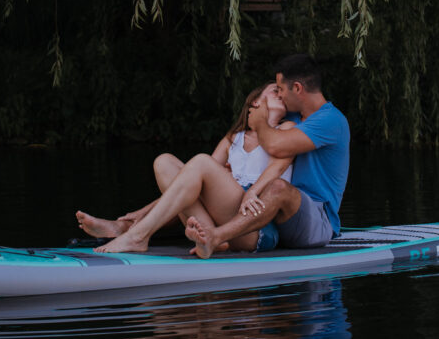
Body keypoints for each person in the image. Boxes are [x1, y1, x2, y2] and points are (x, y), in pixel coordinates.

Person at [75, 82, 296, 254]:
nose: (281, 94)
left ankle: (137, 235)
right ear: (254, 102)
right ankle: (134, 227)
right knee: (165, 162)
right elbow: (190, 182)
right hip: (222, 216)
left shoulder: (288, 129)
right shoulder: (233, 139)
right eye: (275, 90)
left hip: (254, 227)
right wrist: (140, 212)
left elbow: (203, 169)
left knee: (201, 162)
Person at [185, 53, 350, 259]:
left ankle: (216, 237)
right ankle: (144, 225)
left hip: (317, 221)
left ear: (297, 88)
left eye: (280, 89)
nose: (279, 95)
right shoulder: (291, 115)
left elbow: (275, 146)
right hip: (275, 217)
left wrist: (261, 121)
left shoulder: (331, 121)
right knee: (208, 183)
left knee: (278, 187)